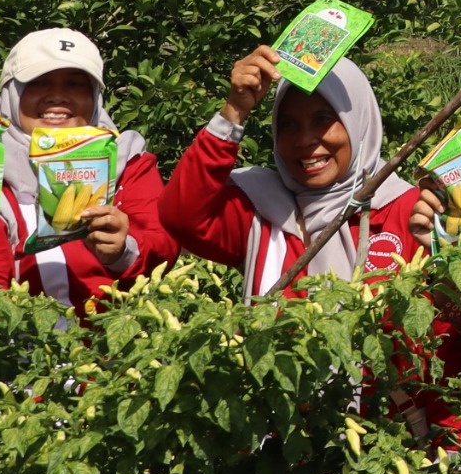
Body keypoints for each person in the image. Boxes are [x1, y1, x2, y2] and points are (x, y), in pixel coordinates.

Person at [0, 27, 174, 310]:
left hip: (113, 349)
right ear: (12, 94)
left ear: (95, 97)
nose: (58, 96)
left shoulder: (127, 162)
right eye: (39, 82)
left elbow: (162, 248)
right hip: (13, 350)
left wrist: (122, 251)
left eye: (75, 84)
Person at [164, 46, 438, 298]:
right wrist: (235, 110)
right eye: (288, 124)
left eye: (323, 120)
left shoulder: (411, 213)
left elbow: (453, 332)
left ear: (359, 123)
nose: (305, 139)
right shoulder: (264, 212)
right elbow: (180, 216)